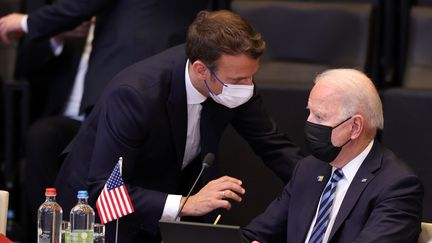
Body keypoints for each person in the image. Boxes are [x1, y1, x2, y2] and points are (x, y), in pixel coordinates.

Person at [52, 10, 302, 242]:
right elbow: (106, 191)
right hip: (93, 215)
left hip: (164, 197)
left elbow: (272, 144)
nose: (247, 86)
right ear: (200, 69)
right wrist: (185, 204)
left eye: (251, 77)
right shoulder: (135, 94)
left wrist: (319, 179)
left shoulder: (233, 81)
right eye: (238, 79)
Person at [242, 69, 424, 243]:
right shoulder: (308, 169)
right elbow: (256, 234)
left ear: (355, 127)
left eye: (320, 117)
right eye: (310, 112)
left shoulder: (396, 187)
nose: (308, 123)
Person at [0, 0, 211, 115]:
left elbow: (81, 5)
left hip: (126, 68)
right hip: (179, 64)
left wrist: (26, 22)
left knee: (103, 173)